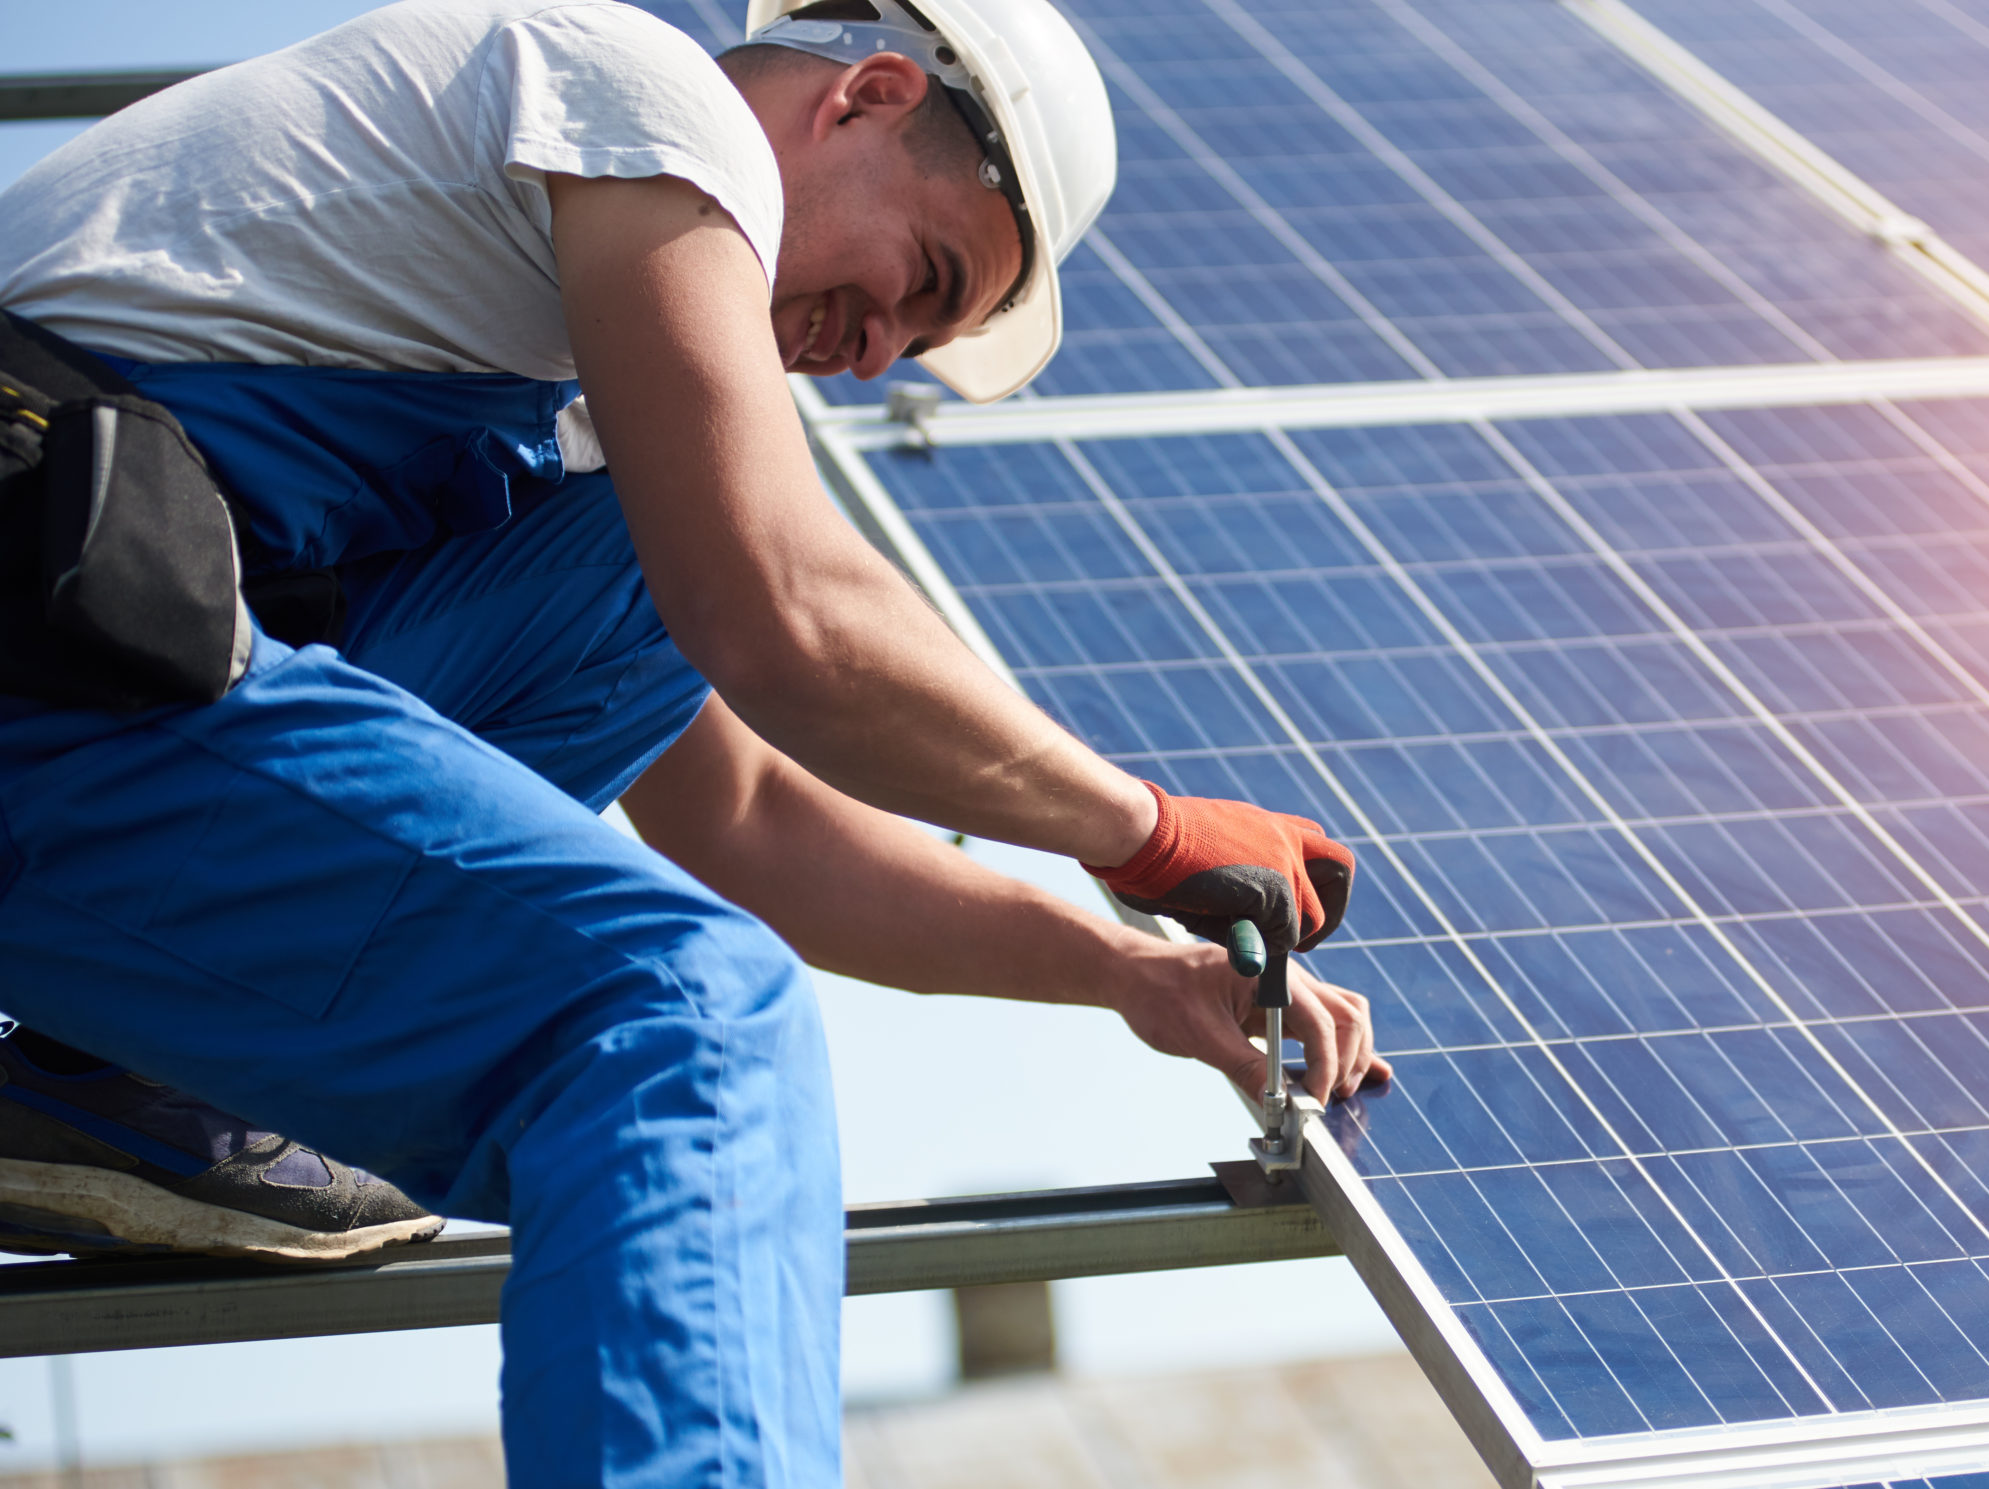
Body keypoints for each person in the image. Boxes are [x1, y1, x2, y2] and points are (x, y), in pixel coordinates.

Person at [0, 0, 1388, 1482]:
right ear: (867, 93)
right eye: (921, 280)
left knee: (634, 574)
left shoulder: (564, 395)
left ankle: (108, 1086)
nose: (875, 356)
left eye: (923, 340)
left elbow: (746, 815)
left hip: (106, 650)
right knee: (682, 1014)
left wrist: (1120, 966)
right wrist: (1150, 835)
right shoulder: (645, 97)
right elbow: (783, 611)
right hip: (56, 618)